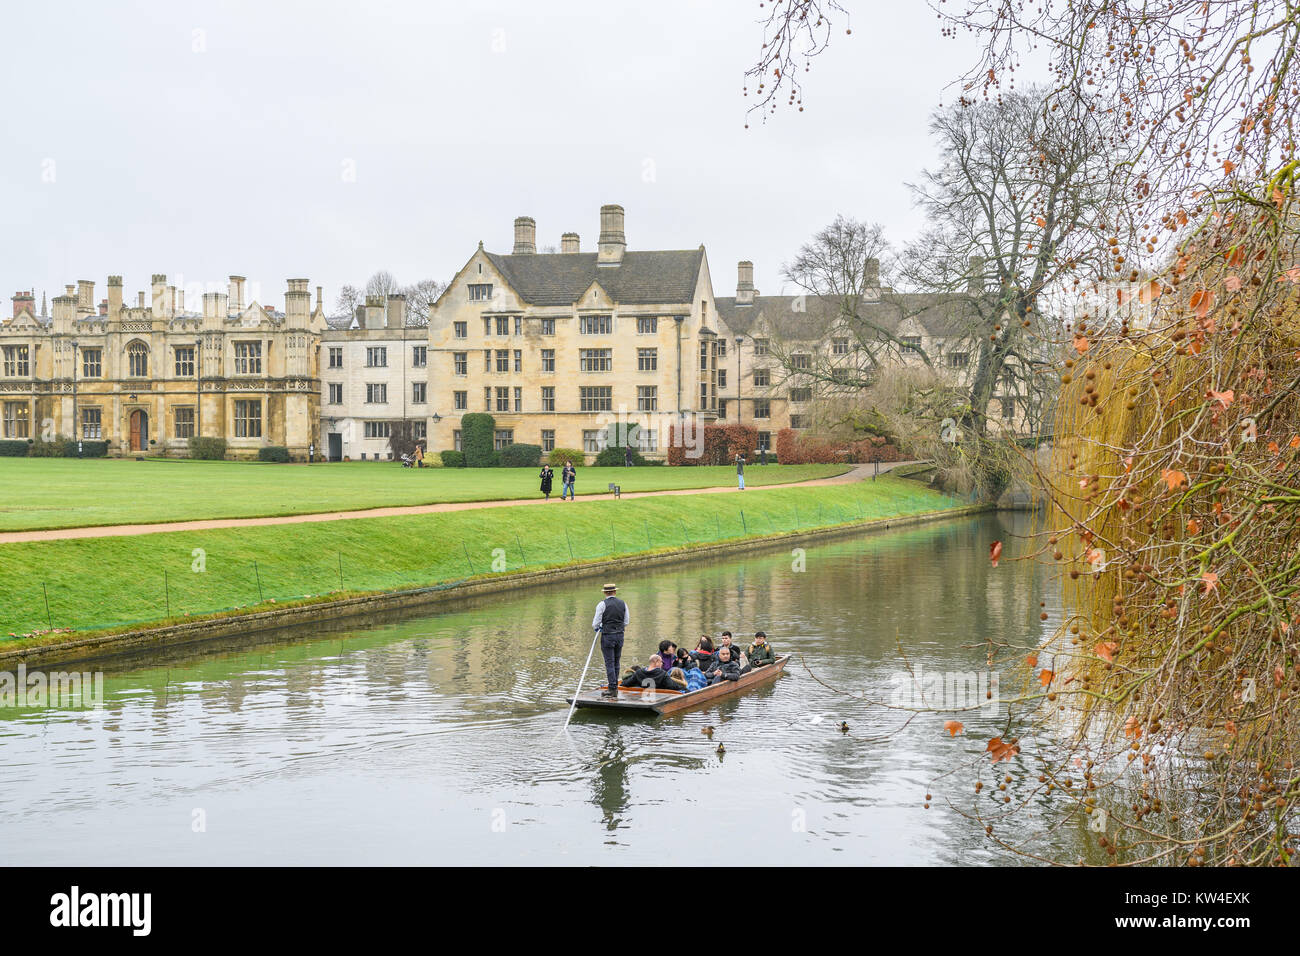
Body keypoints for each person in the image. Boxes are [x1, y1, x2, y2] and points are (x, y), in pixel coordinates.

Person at [592, 583, 628, 699]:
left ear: (605, 593)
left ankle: (612, 689)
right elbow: (626, 621)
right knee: (616, 662)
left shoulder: (602, 604)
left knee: (609, 663)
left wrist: (599, 627)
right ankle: (615, 688)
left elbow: (595, 624)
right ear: (615, 592)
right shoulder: (623, 603)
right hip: (620, 635)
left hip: (608, 636)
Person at [620, 654, 687, 692]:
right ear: (656, 662)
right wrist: (684, 688)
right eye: (661, 662)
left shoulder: (639, 672)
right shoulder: (662, 673)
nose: (662, 664)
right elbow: (672, 686)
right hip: (659, 697)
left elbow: (626, 683)